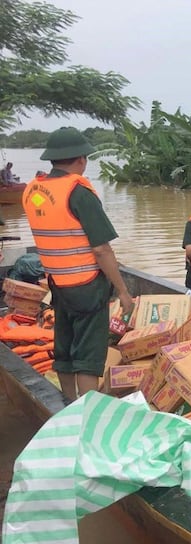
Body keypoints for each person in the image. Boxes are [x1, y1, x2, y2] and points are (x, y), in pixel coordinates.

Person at [21, 127, 134, 402]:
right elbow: (101, 249)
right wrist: (122, 291)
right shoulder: (78, 191)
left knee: (65, 346)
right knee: (87, 354)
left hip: (57, 284)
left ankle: (69, 402)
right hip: (86, 286)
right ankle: (87, 413)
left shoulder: (33, 190)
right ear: (81, 159)